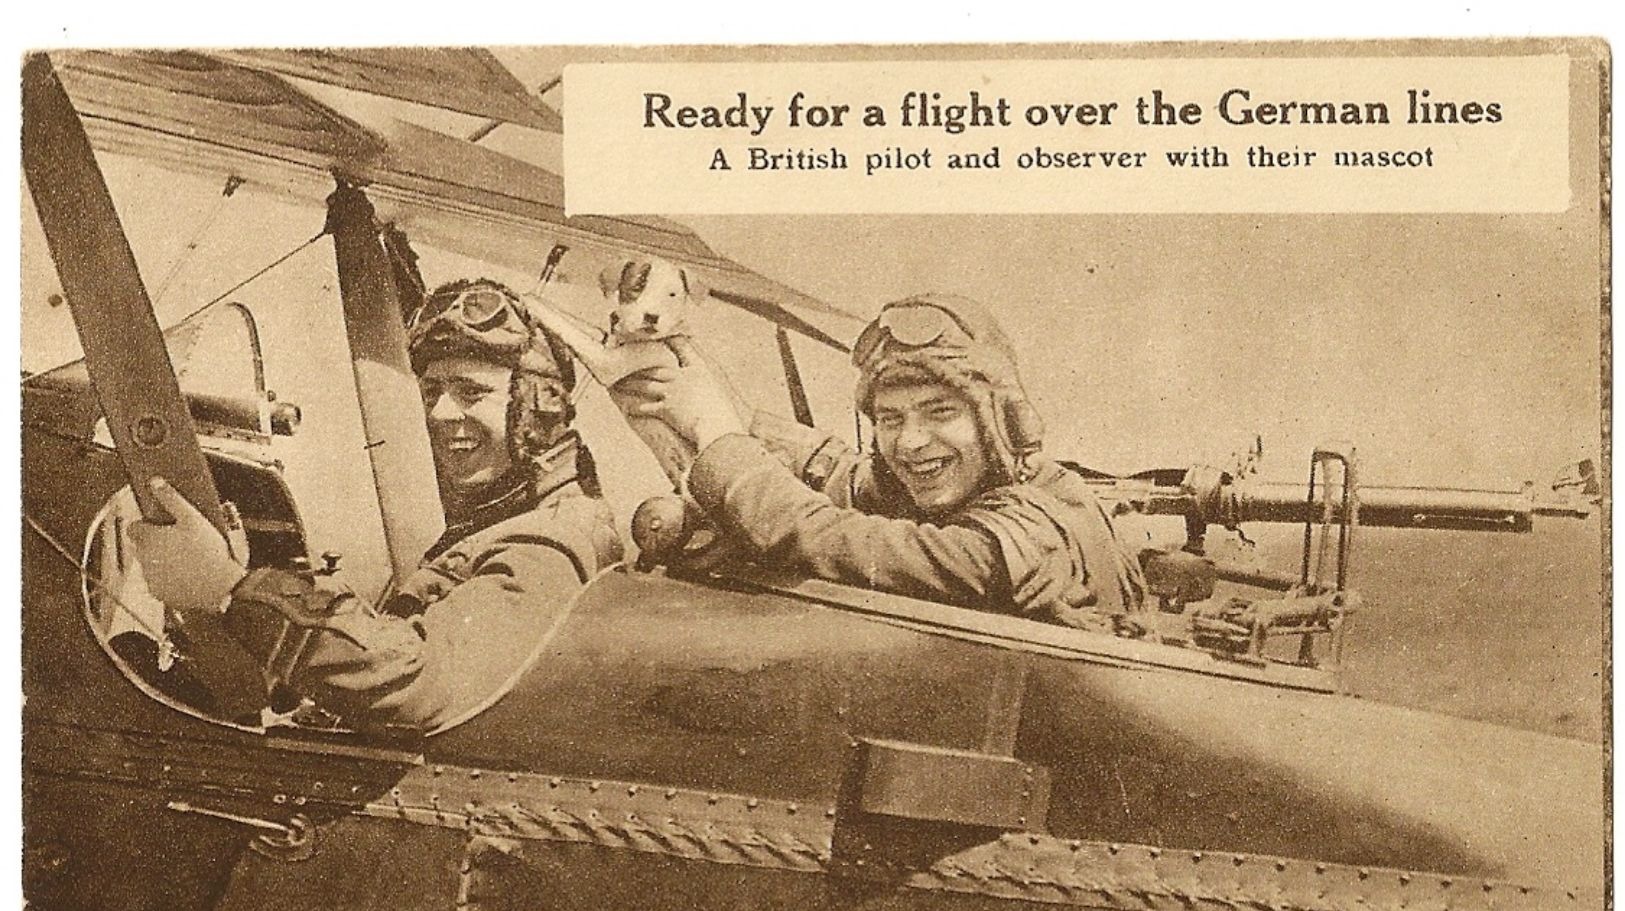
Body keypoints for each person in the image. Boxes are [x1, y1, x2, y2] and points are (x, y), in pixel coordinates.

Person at [129, 278, 623, 732]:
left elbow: (420, 686)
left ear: (540, 409)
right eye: (432, 391)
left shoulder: (549, 543)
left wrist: (232, 589)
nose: (442, 413)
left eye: (471, 392)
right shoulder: (501, 521)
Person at [622, 293, 1147, 629]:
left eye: (939, 412)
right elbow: (847, 475)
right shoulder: (1045, 485)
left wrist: (714, 438)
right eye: (890, 420)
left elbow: (829, 537)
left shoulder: (1002, 545)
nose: (912, 442)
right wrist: (718, 398)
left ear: (1000, 421)